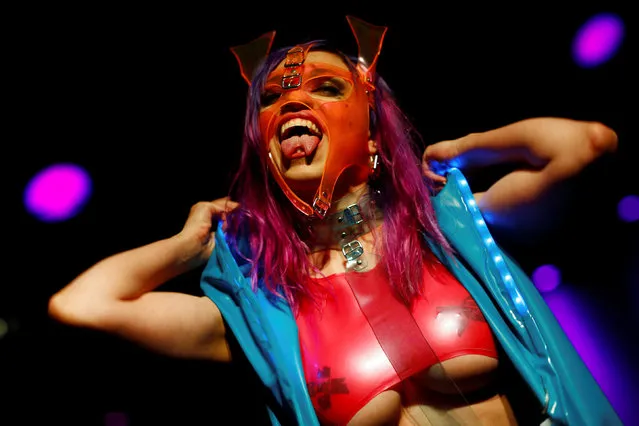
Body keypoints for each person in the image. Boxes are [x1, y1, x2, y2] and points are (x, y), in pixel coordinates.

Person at [48, 16, 622, 426]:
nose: (295, 105)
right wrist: (184, 246)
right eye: (275, 97)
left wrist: (461, 150)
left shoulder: (451, 232)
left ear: (373, 132)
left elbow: (586, 145)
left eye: (326, 89)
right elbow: (83, 304)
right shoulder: (264, 312)